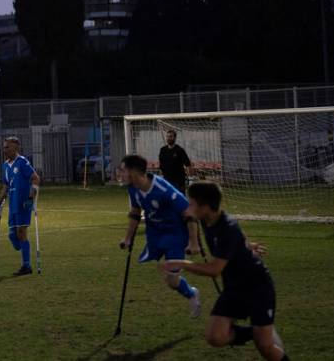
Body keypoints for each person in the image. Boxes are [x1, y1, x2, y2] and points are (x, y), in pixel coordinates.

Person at [163, 182, 289, 360]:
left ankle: (261, 334)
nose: (187, 207)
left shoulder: (227, 227)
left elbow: (215, 270)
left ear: (205, 207)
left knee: (266, 347)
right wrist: (246, 245)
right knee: (215, 337)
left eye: (191, 203)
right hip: (234, 288)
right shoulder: (209, 220)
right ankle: (255, 332)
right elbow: (238, 236)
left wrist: (182, 263)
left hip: (257, 288)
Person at [119, 154, 202, 317]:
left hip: (175, 234)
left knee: (172, 280)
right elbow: (135, 212)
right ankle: (187, 290)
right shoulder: (132, 188)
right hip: (155, 233)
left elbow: (190, 214)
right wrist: (128, 238)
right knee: (168, 276)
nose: (120, 173)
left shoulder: (163, 189)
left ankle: (192, 293)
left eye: (123, 170)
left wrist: (194, 243)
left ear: (134, 172)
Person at [0, 136, 39, 275]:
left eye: (7, 147)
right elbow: (6, 185)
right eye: (4, 147)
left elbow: (36, 178)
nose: (4, 149)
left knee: (21, 233)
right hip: (13, 204)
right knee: (12, 235)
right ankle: (24, 249)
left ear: (16, 148)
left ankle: (26, 266)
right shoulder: (5, 165)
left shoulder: (22, 162)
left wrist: (31, 198)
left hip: (24, 203)